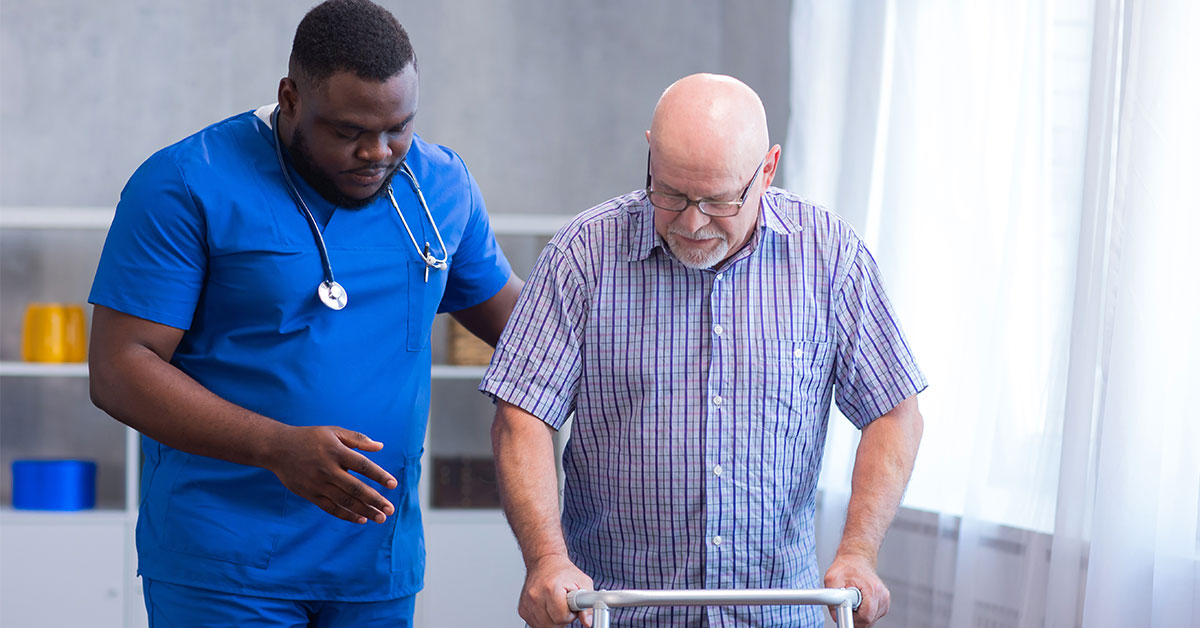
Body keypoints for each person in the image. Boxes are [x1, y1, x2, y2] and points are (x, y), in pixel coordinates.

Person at [87, 1, 521, 625]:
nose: (377, 153)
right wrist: (277, 447)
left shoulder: (440, 185)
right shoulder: (186, 183)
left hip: (373, 562)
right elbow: (119, 368)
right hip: (225, 564)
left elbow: (527, 331)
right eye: (348, 131)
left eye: (397, 127)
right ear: (290, 97)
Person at [481, 73, 925, 628]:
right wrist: (547, 559)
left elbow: (894, 410)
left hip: (778, 614)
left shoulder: (831, 257)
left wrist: (859, 551)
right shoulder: (583, 256)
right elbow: (520, 415)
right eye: (669, 194)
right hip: (616, 615)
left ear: (767, 169)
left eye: (718, 200)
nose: (691, 222)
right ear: (650, 155)